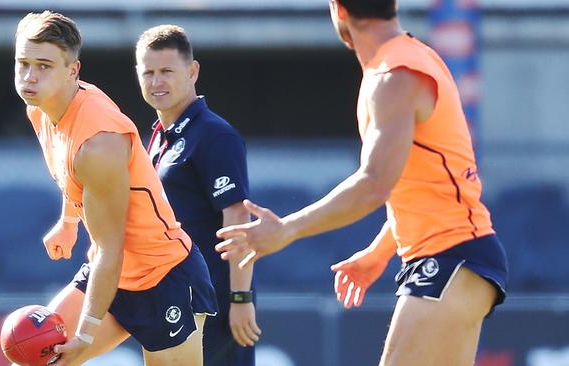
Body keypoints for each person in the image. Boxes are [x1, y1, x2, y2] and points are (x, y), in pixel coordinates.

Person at [215, 1, 508, 365]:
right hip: (456, 258)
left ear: (338, 10)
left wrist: (287, 229)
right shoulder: (407, 60)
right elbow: (421, 186)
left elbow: (373, 185)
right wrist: (380, 251)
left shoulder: (395, 74)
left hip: (452, 258)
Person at [13, 11, 217, 366]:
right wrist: (68, 221)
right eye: (23, 63)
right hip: (110, 271)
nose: (30, 76)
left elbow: (111, 248)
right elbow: (70, 173)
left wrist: (86, 336)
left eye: (44, 65)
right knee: (38, 357)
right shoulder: (42, 108)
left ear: (72, 72)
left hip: (162, 276)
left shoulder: (100, 143)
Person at [136, 25, 261, 366]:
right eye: (148, 72)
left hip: (214, 302)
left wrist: (240, 297)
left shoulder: (214, 135)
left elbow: (237, 218)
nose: (156, 82)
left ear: (192, 72)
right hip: (173, 299)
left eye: (166, 71)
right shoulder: (160, 137)